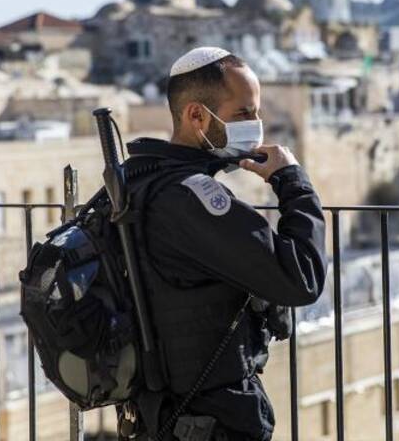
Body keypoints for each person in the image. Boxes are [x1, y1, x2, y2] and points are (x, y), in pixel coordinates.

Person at [121, 47, 326, 441]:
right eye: (244, 114)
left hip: (160, 413)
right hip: (213, 419)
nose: (256, 125)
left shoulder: (139, 184)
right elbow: (301, 278)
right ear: (196, 115)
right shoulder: (190, 198)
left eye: (257, 113)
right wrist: (294, 184)